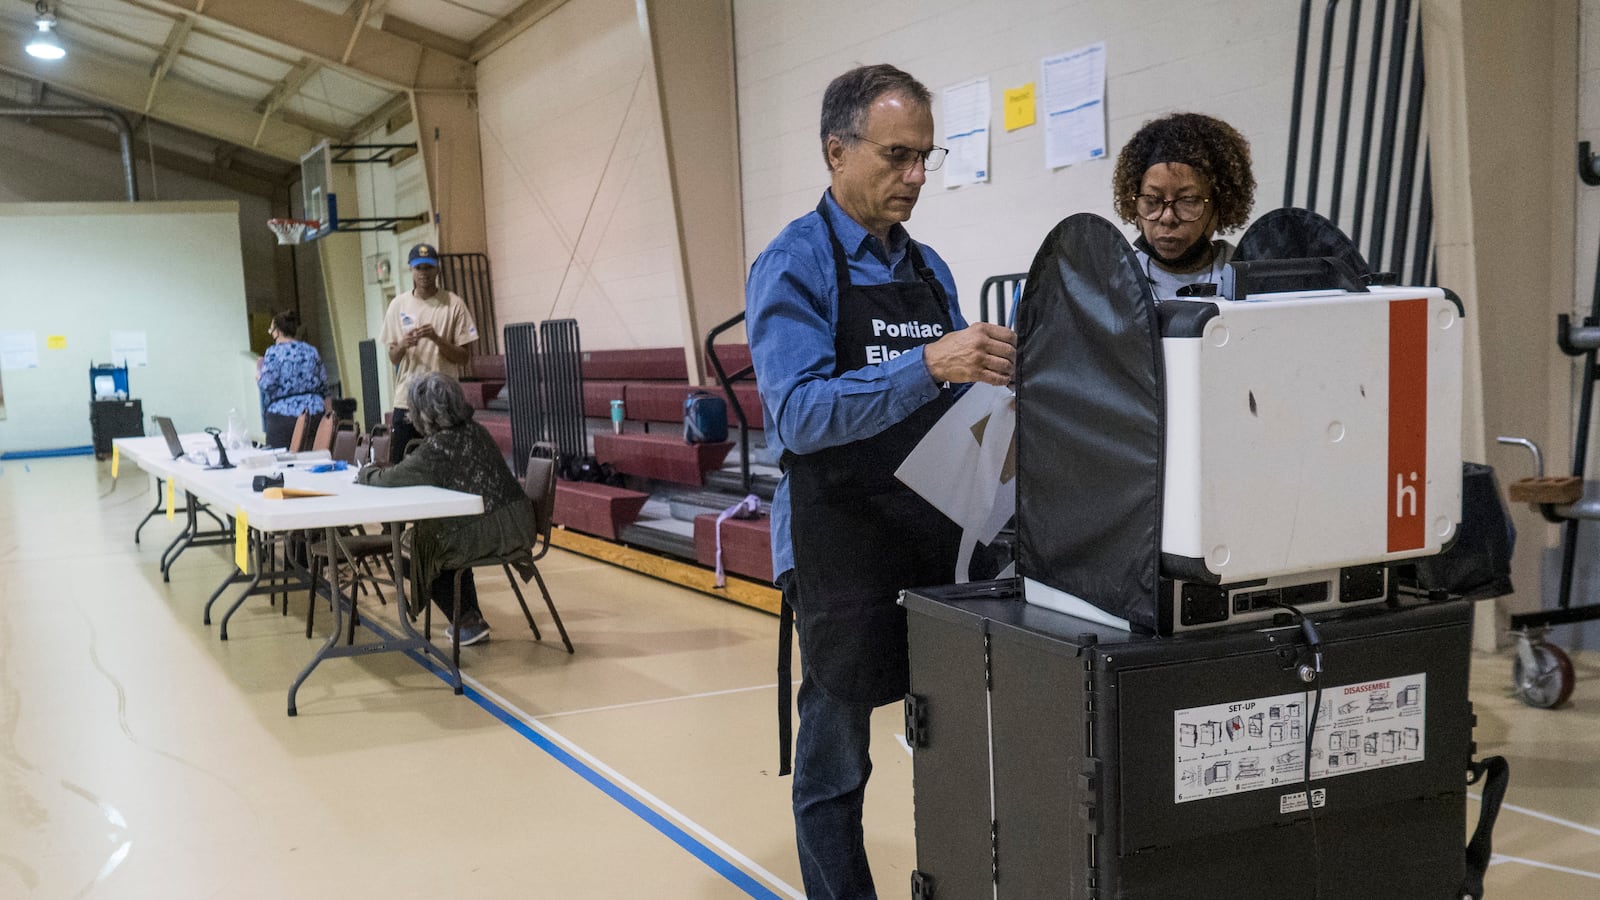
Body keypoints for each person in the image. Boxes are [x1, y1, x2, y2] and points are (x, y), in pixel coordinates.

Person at [746, 63, 1016, 899]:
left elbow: (948, 398)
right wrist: (929, 362)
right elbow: (798, 416)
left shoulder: (928, 265)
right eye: (898, 155)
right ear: (837, 150)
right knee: (835, 758)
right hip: (838, 544)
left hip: (929, 528)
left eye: (926, 157)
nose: (916, 177)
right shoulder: (795, 265)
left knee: (959, 739)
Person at [356, 371, 534, 646]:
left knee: (418, 544)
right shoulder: (477, 430)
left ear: (422, 413)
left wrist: (365, 473)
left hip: (493, 529)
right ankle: (470, 616)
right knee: (446, 536)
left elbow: (389, 479)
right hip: (519, 520)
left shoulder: (439, 446)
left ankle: (465, 620)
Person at [1111, 112, 1256, 299]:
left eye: (1188, 200)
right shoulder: (1114, 282)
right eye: (1152, 200)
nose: (1167, 217)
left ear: (1221, 206)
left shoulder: (1247, 278)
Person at [380, 242, 479, 464]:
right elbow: (393, 357)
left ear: (437, 269)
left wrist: (436, 339)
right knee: (402, 465)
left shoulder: (453, 304)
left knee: (448, 466)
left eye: (428, 267)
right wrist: (404, 344)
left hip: (443, 401)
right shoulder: (398, 305)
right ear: (411, 270)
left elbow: (464, 358)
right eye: (418, 268)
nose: (423, 273)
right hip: (407, 400)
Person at [256, 309, 327, 450]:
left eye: (271, 329)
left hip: (283, 417)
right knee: (312, 459)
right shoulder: (311, 350)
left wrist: (258, 372)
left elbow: (267, 384)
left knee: (282, 462)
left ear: (276, 331)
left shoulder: (273, 352)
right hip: (314, 414)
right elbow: (323, 384)